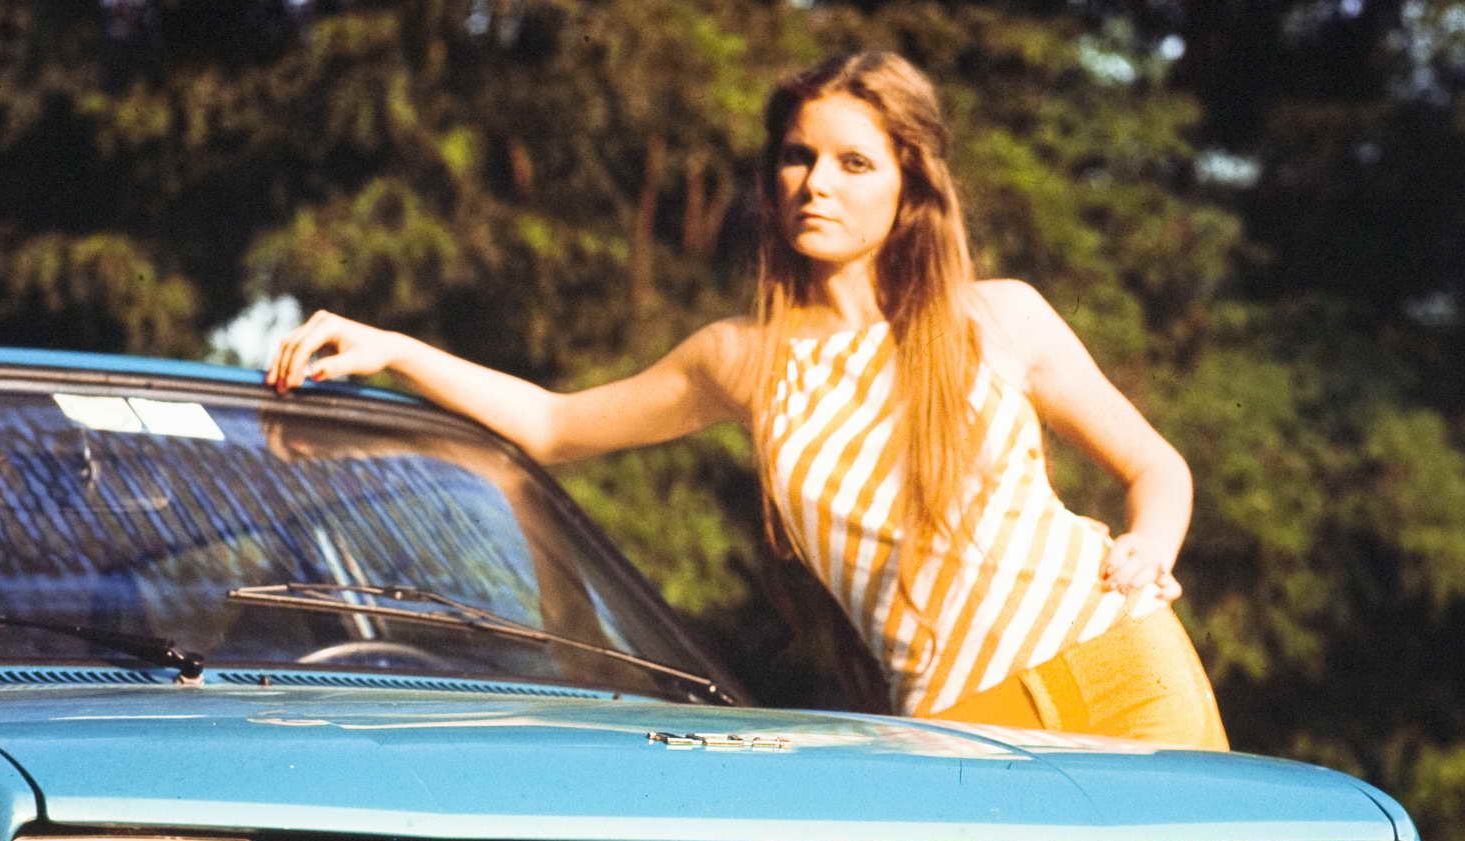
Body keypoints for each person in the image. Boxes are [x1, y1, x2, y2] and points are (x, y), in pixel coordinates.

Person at [267, 50, 1228, 750]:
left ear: (910, 185)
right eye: (798, 157)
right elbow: (554, 426)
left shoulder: (998, 316)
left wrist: (1150, 545)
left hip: (1121, 665)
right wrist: (396, 350)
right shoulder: (742, 360)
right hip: (953, 722)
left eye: (855, 163)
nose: (817, 184)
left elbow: (1156, 466)